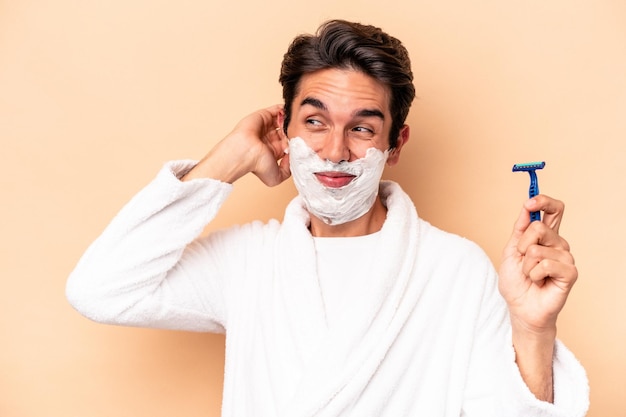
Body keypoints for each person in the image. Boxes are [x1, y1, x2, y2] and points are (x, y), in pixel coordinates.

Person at [66, 19, 589, 416]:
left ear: (395, 143)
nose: (335, 152)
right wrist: (228, 158)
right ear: (283, 129)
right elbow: (100, 289)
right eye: (314, 122)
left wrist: (533, 327)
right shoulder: (248, 260)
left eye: (362, 129)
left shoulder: (455, 269)